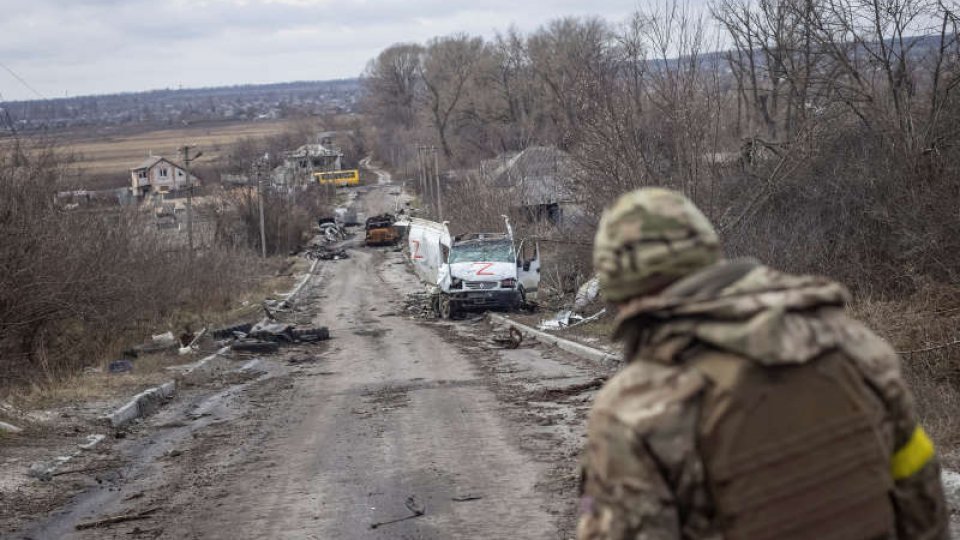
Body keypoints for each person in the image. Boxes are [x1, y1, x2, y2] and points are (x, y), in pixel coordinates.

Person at [577, 187, 948, 540]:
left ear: (621, 292)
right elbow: (923, 499)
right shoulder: (854, 346)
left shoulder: (634, 410)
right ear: (710, 256)